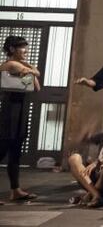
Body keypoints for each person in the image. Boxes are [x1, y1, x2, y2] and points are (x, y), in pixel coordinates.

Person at [0, 36, 40, 203]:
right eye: (22, 47)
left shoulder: (20, 66)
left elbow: (36, 86)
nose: (26, 51)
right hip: (10, 112)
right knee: (2, 149)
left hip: (20, 110)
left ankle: (15, 190)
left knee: (15, 152)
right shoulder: (10, 65)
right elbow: (33, 74)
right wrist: (32, 70)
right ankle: (15, 189)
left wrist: (31, 71)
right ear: (12, 50)